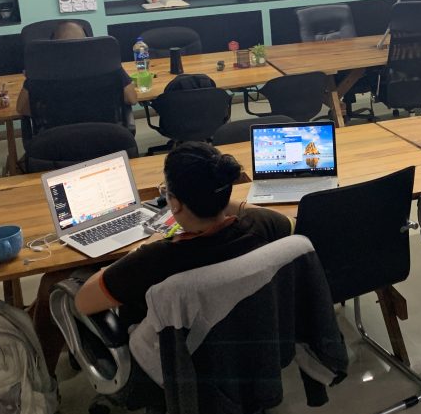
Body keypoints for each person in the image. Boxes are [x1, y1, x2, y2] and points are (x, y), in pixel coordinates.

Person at [30, 142, 293, 375]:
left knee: (54, 281)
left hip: (165, 358)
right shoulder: (264, 226)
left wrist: (133, 255)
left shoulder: (155, 258)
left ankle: (44, 378)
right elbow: (281, 220)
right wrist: (216, 197)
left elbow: (84, 302)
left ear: (175, 204)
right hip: (242, 338)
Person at [16, 20, 138, 116]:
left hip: (57, 138)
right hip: (105, 133)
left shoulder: (42, 69)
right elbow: (131, 99)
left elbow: (22, 108)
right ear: (87, 41)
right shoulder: (105, 63)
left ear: (53, 45)